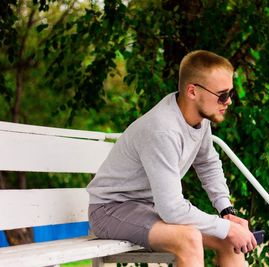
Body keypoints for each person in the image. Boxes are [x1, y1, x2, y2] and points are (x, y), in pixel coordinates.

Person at [87, 50, 257, 266]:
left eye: (230, 94)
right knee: (189, 239)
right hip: (110, 210)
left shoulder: (199, 119)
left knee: (228, 239)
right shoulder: (162, 130)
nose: (229, 101)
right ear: (192, 91)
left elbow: (207, 164)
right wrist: (228, 228)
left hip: (147, 208)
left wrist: (227, 212)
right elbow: (173, 210)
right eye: (222, 95)